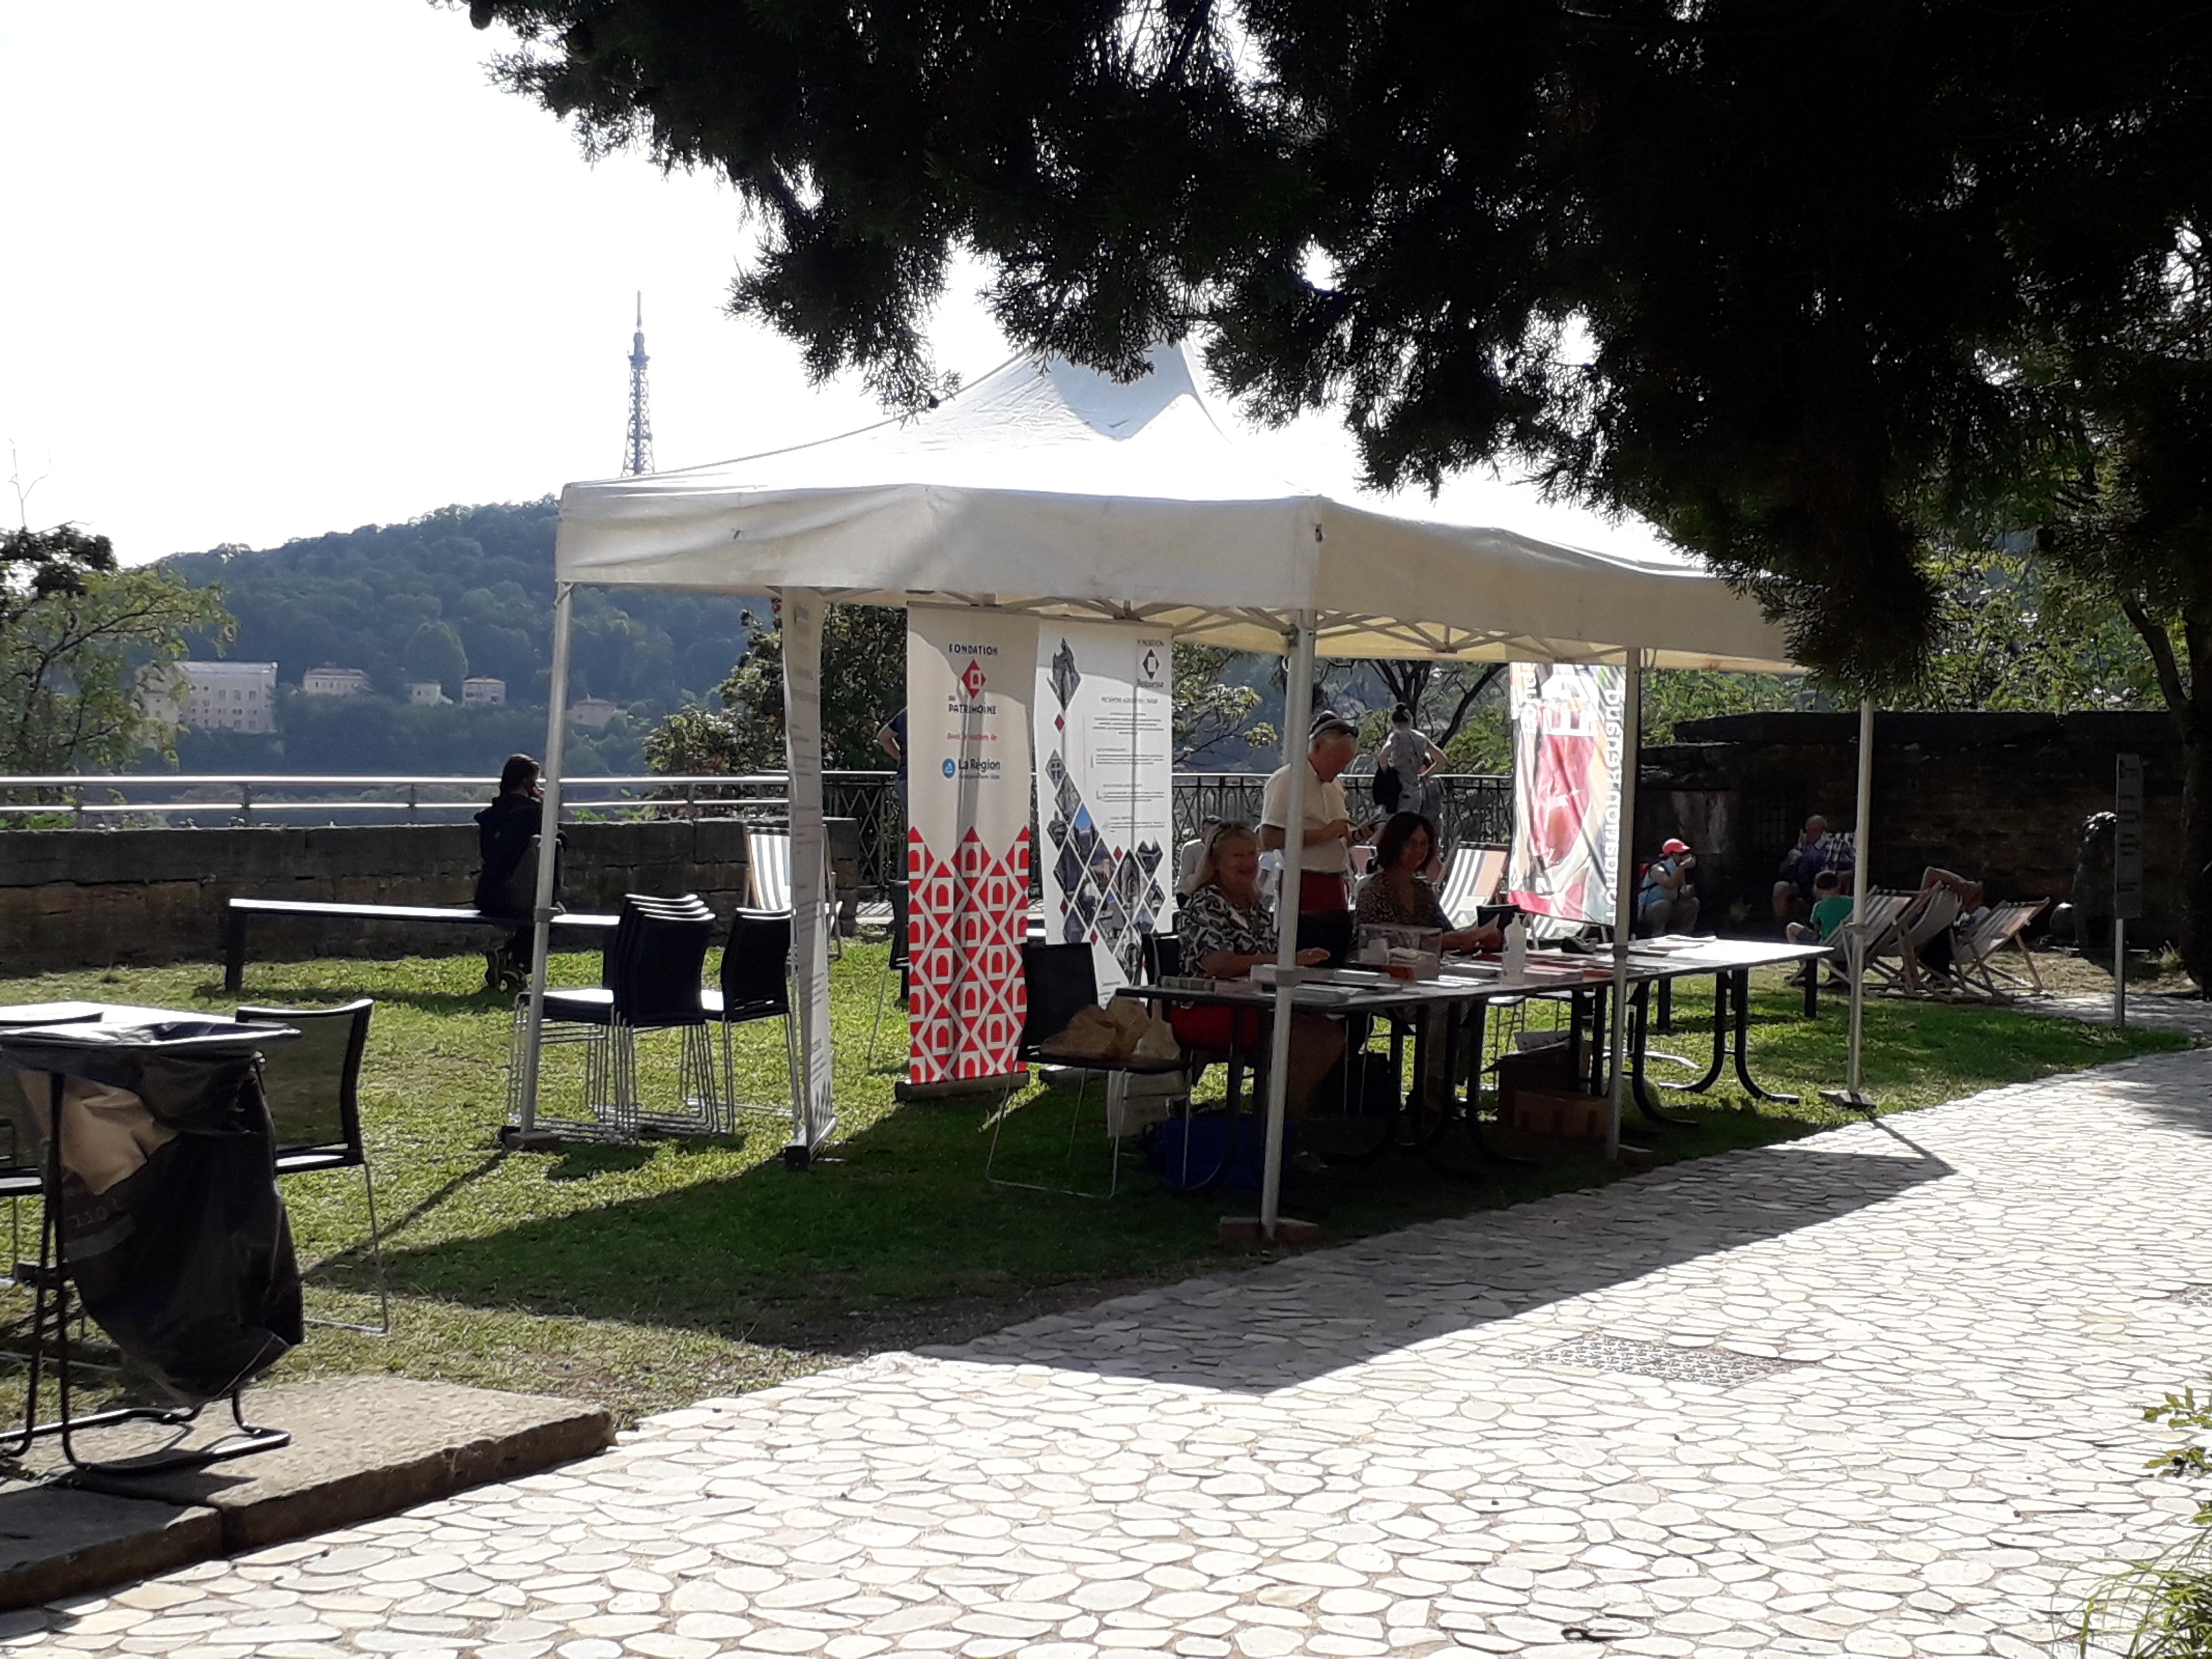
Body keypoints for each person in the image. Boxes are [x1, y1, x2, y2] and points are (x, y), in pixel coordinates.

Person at [1174, 821, 1346, 1138]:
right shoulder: (1206, 903)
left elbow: (1271, 956)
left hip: (1261, 1001)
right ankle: (1277, 1131)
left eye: (1253, 854)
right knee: (1301, 1037)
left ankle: (1286, 1122)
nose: (1248, 862)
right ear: (1216, 863)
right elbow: (1218, 963)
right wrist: (1285, 960)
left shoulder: (1254, 906)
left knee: (1328, 1033)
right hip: (1211, 1005)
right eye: (1237, 855)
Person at [1260, 710, 1365, 921]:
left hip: (1336, 880)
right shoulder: (1286, 780)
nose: (1341, 769)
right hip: (1303, 880)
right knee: (1306, 945)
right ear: (1317, 747)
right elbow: (1268, 839)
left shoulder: (1335, 785)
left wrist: (1359, 835)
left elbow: (1339, 838)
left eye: (1346, 763)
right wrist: (1325, 834)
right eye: (1338, 761)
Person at [1356, 812, 1504, 953]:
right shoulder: (1374, 891)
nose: (1419, 851)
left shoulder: (1423, 891)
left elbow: (1447, 932)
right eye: (1411, 844)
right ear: (1395, 845)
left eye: (1424, 844)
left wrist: (1480, 939)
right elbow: (1378, 941)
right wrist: (1458, 939)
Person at [474, 753, 558, 991]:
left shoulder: (492, 814)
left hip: (488, 893)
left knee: (533, 918)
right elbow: (559, 840)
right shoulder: (531, 813)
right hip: (519, 895)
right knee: (553, 914)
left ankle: (509, 960)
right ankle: (514, 962)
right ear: (526, 781)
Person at [1772, 814, 1853, 926]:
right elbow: (1782, 871)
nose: (1810, 833)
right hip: (1800, 884)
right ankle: (1781, 929)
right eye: (1808, 830)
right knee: (1780, 888)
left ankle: (1817, 929)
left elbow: (1851, 867)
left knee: (1820, 885)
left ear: (1824, 831)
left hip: (1823, 882)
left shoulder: (1836, 844)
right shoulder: (1802, 846)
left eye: (1814, 830)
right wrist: (1790, 861)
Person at [1372, 704, 1446, 818]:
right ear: (1410, 721)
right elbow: (1442, 760)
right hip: (1416, 789)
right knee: (1411, 826)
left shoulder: (1396, 737)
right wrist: (1426, 774)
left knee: (1391, 825)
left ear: (1394, 722)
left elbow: (1383, 756)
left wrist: (1386, 771)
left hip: (1398, 788)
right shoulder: (1421, 738)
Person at [1636, 838, 1701, 937]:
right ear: (1672, 855)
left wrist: (1688, 892)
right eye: (1681, 854)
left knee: (1693, 903)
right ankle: (1658, 933)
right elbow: (1669, 883)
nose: (1685, 857)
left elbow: (1682, 893)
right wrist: (1683, 867)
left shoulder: (1678, 870)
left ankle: (1684, 934)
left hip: (1671, 906)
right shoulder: (1657, 868)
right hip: (1650, 910)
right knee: (1663, 904)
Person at [1787, 868, 1855, 946]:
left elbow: (1816, 927)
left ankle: (1797, 957)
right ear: (1838, 885)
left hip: (1826, 943)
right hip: (1847, 941)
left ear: (1818, 889)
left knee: (1791, 927)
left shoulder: (1819, 906)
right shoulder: (1851, 901)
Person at [1177, 814, 1222, 896]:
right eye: (1204, 830)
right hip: (1196, 894)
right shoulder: (1191, 849)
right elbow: (1184, 881)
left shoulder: (1227, 849)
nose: (1205, 835)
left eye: (1212, 832)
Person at [875, 708, 908, 809]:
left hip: (906, 777)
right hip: (932, 779)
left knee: (912, 821)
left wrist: (899, 756)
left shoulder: (906, 714)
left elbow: (883, 737)